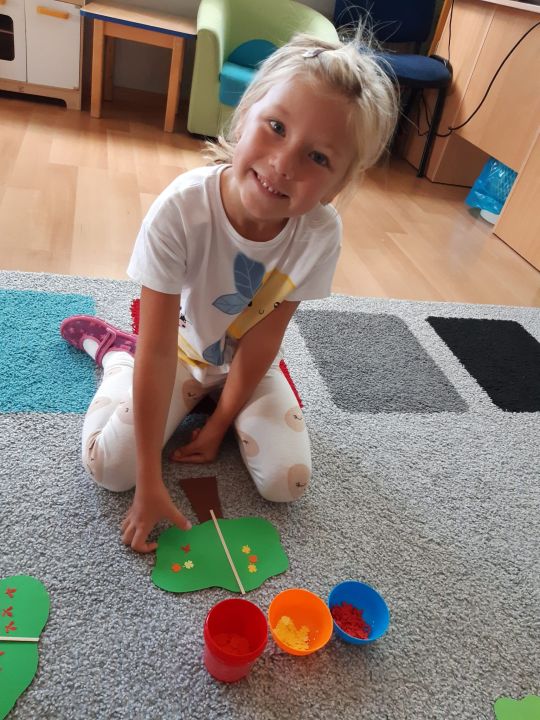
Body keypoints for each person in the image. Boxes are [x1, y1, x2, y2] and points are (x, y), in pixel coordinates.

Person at [61, 32, 398, 553]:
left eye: (318, 157)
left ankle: (220, 405)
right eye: (276, 127)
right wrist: (149, 479)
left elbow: (263, 341)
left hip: (245, 366)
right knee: (109, 469)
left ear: (337, 185)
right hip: (174, 353)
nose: (284, 163)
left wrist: (219, 425)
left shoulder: (320, 234)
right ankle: (116, 357)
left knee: (287, 483)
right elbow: (158, 349)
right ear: (244, 117)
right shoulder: (182, 209)